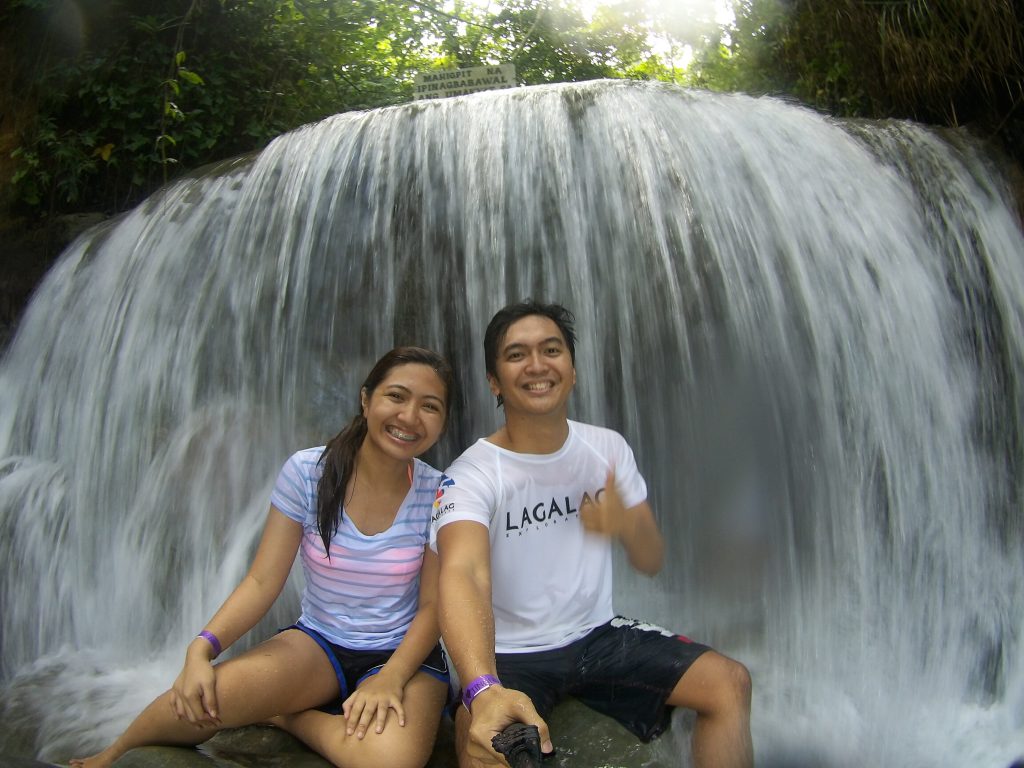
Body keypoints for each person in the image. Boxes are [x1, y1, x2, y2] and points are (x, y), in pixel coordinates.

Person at [72, 346, 455, 768]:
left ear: (441, 422)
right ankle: (110, 755)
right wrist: (202, 648)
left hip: (405, 655)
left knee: (388, 762)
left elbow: (434, 607)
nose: (409, 416)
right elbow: (261, 581)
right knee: (204, 698)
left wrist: (390, 678)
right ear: (366, 400)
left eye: (429, 406)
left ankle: (290, 716)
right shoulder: (309, 473)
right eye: (396, 397)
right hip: (319, 644)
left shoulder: (440, 493)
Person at [431, 301, 753, 768]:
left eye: (552, 350)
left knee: (730, 682)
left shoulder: (607, 448)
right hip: (508, 653)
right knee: (488, 746)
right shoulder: (471, 474)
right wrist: (482, 686)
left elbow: (649, 558)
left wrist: (625, 522)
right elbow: (463, 571)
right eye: (517, 355)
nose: (538, 365)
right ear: (494, 382)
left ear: (573, 370)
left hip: (595, 635)